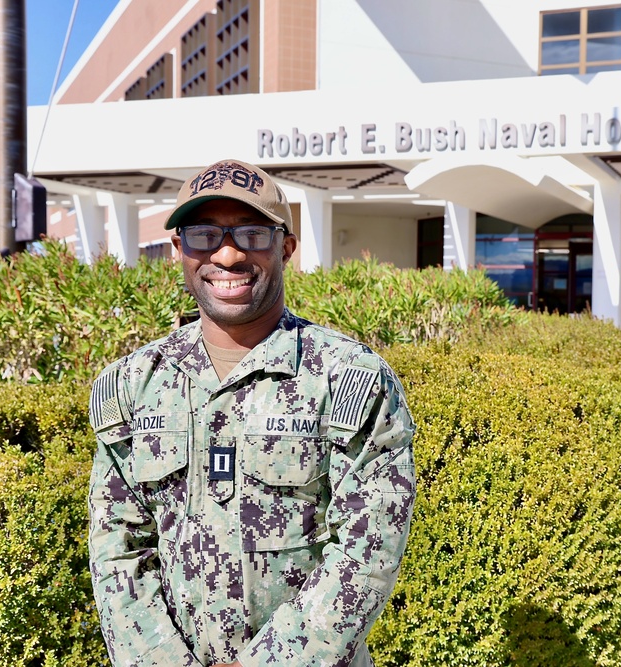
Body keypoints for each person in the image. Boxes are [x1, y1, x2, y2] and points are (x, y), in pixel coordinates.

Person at [87, 159, 416, 667]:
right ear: (179, 250)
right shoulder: (133, 386)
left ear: (286, 246)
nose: (227, 253)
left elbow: (366, 552)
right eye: (203, 234)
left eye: (252, 233)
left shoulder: (350, 378)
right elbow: (118, 548)